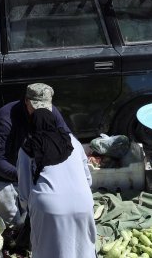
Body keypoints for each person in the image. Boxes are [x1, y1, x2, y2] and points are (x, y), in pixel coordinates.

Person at [0, 83, 71, 225]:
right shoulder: (6, 116)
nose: (40, 112)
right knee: (12, 220)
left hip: (29, 168)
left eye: (44, 108)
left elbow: (66, 138)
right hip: (0, 172)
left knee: (33, 214)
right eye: (35, 108)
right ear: (26, 101)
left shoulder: (52, 112)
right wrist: (24, 176)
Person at [16, 108, 96, 257]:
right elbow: (88, 179)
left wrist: (29, 209)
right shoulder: (73, 141)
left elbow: (24, 191)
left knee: (49, 249)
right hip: (83, 202)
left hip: (48, 206)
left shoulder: (28, 148)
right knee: (83, 248)